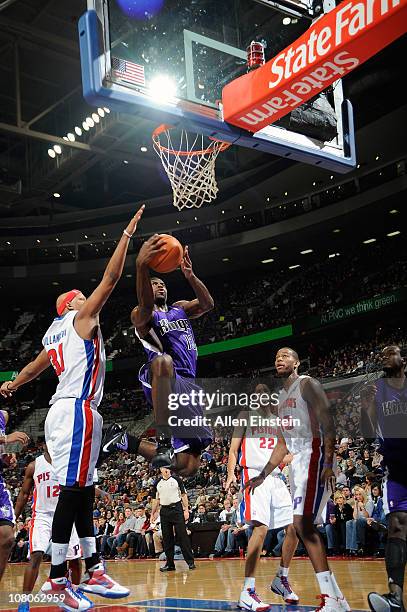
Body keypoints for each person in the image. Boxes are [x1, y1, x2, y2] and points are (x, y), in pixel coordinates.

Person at [0, 207, 145, 610]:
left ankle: (95, 566)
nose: (88, 297)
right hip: (77, 409)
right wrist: (126, 236)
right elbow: (112, 278)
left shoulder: (54, 334)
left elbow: (33, 366)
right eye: (81, 297)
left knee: (83, 488)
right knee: (73, 490)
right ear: (70, 305)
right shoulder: (80, 318)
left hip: (68, 412)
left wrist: (13, 383)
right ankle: (59, 577)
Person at [244, 348, 349, 612]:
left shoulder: (307, 384)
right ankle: (337, 599)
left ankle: (332, 599)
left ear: (297, 363)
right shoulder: (281, 398)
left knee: (302, 525)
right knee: (299, 525)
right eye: (276, 356)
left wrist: (327, 462)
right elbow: (282, 443)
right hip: (298, 463)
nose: (279, 359)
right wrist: (263, 474)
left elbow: (328, 421)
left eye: (285, 356)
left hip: (314, 456)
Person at [100, 242, 214, 475]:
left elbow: (207, 304)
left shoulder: (180, 308)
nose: (159, 286)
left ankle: (123, 439)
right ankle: (163, 439)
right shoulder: (141, 313)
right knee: (164, 360)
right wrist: (141, 267)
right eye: (153, 284)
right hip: (159, 375)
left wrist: (190, 276)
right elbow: (143, 307)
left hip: (187, 383)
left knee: (188, 465)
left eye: (161, 283)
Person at [225, 383, 298, 611]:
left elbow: (286, 454)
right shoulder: (245, 416)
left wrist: (290, 458)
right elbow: (233, 450)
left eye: (264, 393)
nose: (260, 396)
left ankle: (281, 578)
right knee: (260, 529)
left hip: (275, 477)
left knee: (294, 527)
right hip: (253, 474)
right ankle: (247, 591)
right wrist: (230, 474)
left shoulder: (278, 422)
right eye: (256, 393)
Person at [361, 346, 407, 612]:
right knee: (397, 526)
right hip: (397, 471)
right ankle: (395, 599)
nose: (384, 357)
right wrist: (367, 408)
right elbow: (368, 434)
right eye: (381, 355)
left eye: (390, 353)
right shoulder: (378, 391)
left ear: (403, 360)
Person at [14, 446, 82, 611]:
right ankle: (24, 601)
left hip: (66, 514)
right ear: (44, 444)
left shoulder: (69, 462)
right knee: (36, 555)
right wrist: (13, 518)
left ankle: (74, 593)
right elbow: (24, 494)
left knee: (74, 560)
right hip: (42, 516)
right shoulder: (34, 466)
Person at [0, 409, 29, 584]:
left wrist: (4, 459)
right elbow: (5, 439)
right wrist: (6, 438)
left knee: (6, 536)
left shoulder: (3, 415)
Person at [150, 467, 195, 572]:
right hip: (164, 511)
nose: (165, 469)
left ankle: (190, 562)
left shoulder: (177, 480)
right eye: (163, 468)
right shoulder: (157, 482)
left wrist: (186, 510)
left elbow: (183, 495)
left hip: (177, 509)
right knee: (167, 538)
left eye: (167, 467)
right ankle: (170, 564)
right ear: (160, 470)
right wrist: (153, 513)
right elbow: (155, 499)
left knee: (182, 535)